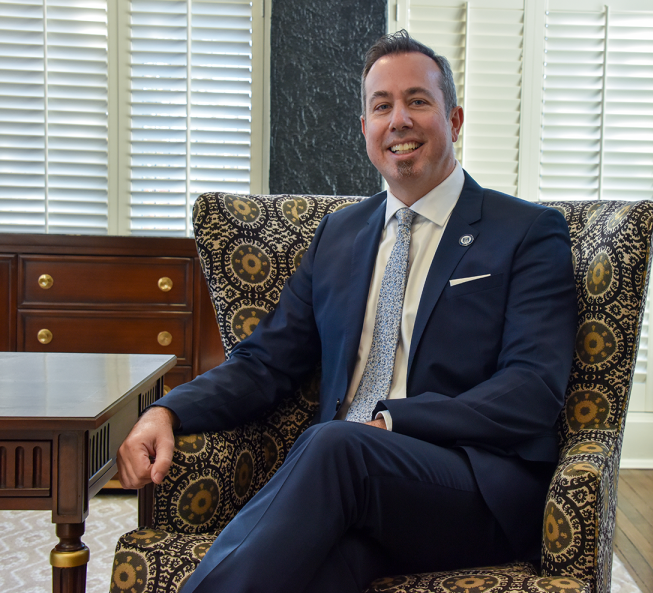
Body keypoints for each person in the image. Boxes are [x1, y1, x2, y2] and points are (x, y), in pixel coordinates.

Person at [117, 30, 578, 593]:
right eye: (381, 106)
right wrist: (167, 412)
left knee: (334, 443)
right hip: (356, 495)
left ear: (454, 120)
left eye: (417, 101)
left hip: (471, 487)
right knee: (313, 572)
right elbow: (265, 363)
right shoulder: (338, 234)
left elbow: (532, 388)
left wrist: (392, 423)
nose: (398, 120)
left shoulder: (527, 232)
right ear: (365, 129)